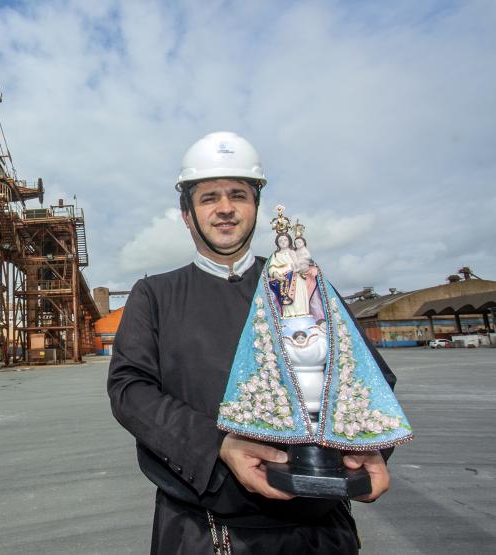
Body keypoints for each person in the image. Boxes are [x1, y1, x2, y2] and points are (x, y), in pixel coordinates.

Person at [107, 131, 396, 554]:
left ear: (255, 206)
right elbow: (130, 391)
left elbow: (370, 379)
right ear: (187, 214)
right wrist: (218, 445)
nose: (225, 208)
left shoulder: (302, 282)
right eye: (208, 198)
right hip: (205, 529)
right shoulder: (155, 295)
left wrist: (372, 449)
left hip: (319, 528)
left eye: (238, 195)